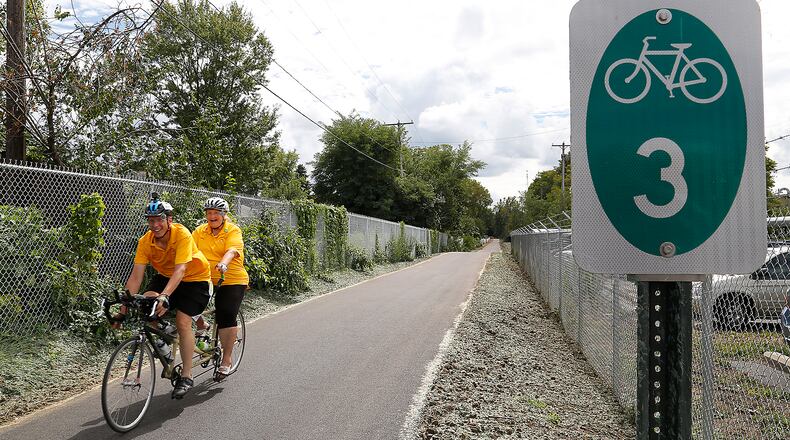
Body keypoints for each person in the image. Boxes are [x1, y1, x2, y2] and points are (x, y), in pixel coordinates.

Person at [124, 193, 212, 399]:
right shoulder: (145, 241)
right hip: (166, 277)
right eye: (151, 220)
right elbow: (136, 276)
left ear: (169, 220)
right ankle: (165, 341)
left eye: (159, 220)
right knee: (146, 303)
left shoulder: (181, 234)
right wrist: (124, 306)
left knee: (183, 321)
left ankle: (187, 376)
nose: (154, 225)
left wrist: (164, 296)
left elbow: (180, 270)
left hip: (196, 280)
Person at [192, 197, 249, 379]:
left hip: (231, 278)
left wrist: (224, 263)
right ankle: (202, 324)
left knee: (225, 313)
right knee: (184, 301)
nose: (212, 216)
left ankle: (226, 359)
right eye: (209, 213)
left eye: (216, 213)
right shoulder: (200, 231)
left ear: (224, 215)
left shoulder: (232, 230)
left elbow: (232, 250)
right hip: (204, 277)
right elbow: (189, 250)